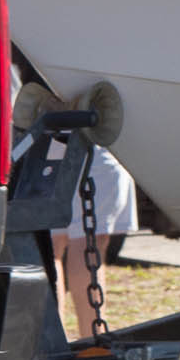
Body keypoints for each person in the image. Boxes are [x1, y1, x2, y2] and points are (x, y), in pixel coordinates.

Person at [52, 143, 138, 340]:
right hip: (93, 145)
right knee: (81, 247)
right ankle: (92, 343)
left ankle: (56, 343)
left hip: (48, 145)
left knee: (50, 246)